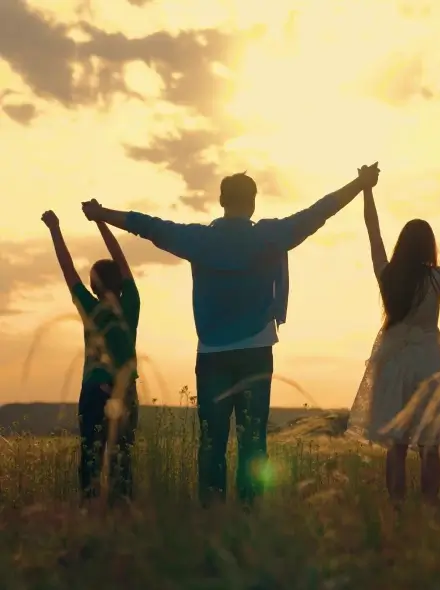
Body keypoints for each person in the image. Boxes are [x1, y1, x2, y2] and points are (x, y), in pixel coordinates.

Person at [80, 163, 380, 507]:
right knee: (253, 441)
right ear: (252, 203)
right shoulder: (268, 236)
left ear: (222, 201)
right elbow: (319, 212)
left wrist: (100, 213)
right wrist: (359, 183)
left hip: (211, 355)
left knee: (212, 443)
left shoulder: (199, 239)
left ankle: (212, 512)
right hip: (256, 351)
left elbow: (148, 226)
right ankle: (249, 514)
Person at [346, 174, 440, 504]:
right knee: (429, 444)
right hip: (427, 360)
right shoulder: (438, 277)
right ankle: (428, 508)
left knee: (396, 446)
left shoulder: (387, 273)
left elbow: (373, 231)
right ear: (430, 247)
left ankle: (397, 506)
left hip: (392, 357)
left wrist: (367, 191)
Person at [41, 207, 140, 506]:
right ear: (121, 283)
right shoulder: (131, 304)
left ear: (93, 285)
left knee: (91, 457)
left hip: (94, 389)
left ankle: (90, 510)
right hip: (126, 390)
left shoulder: (89, 307)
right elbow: (121, 260)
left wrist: (54, 229)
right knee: (122, 455)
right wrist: (100, 221)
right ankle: (122, 513)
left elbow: (67, 270)